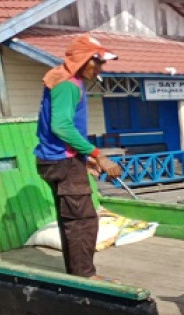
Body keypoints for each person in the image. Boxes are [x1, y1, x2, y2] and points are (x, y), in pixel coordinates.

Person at [34, 34, 123, 280]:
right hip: (62, 161)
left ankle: (77, 273)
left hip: (57, 158)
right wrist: (98, 155)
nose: (101, 67)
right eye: (98, 62)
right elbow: (61, 127)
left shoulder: (63, 78)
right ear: (84, 59)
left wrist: (85, 158)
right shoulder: (68, 84)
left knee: (72, 220)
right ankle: (84, 276)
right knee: (83, 221)